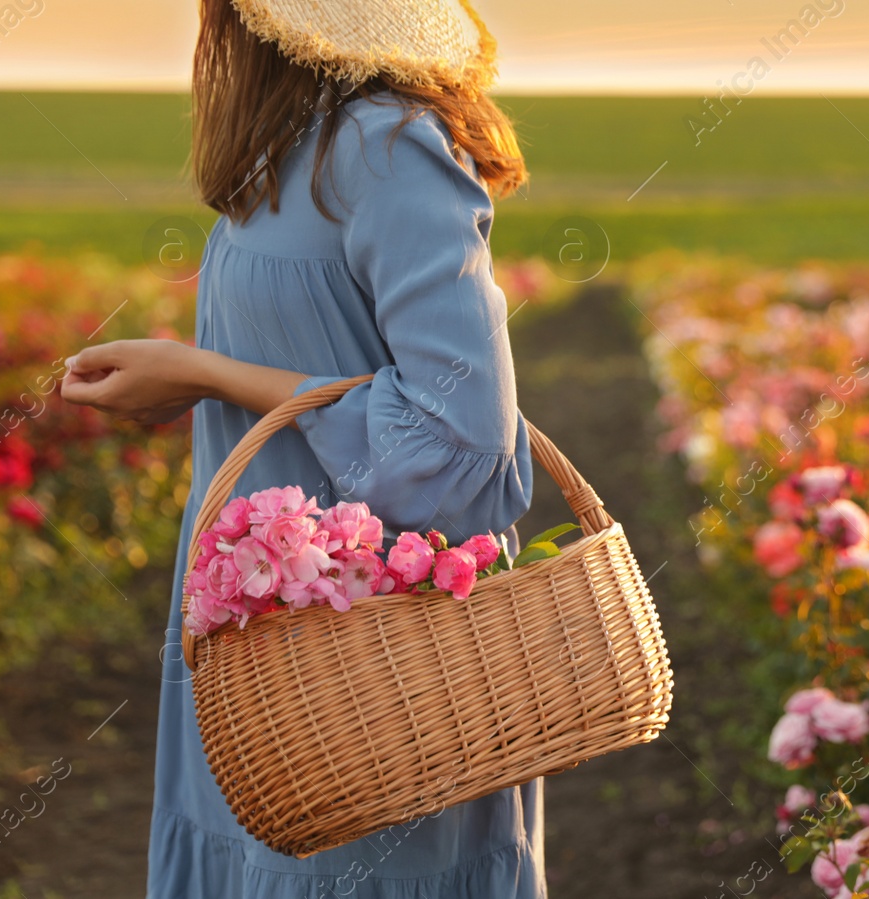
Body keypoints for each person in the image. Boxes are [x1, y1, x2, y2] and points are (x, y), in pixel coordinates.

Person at [60, 0, 542, 895]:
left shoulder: (387, 150)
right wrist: (187, 381)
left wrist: (208, 373)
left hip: (370, 670)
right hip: (265, 654)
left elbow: (461, 446)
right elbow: (316, 355)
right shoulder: (294, 150)